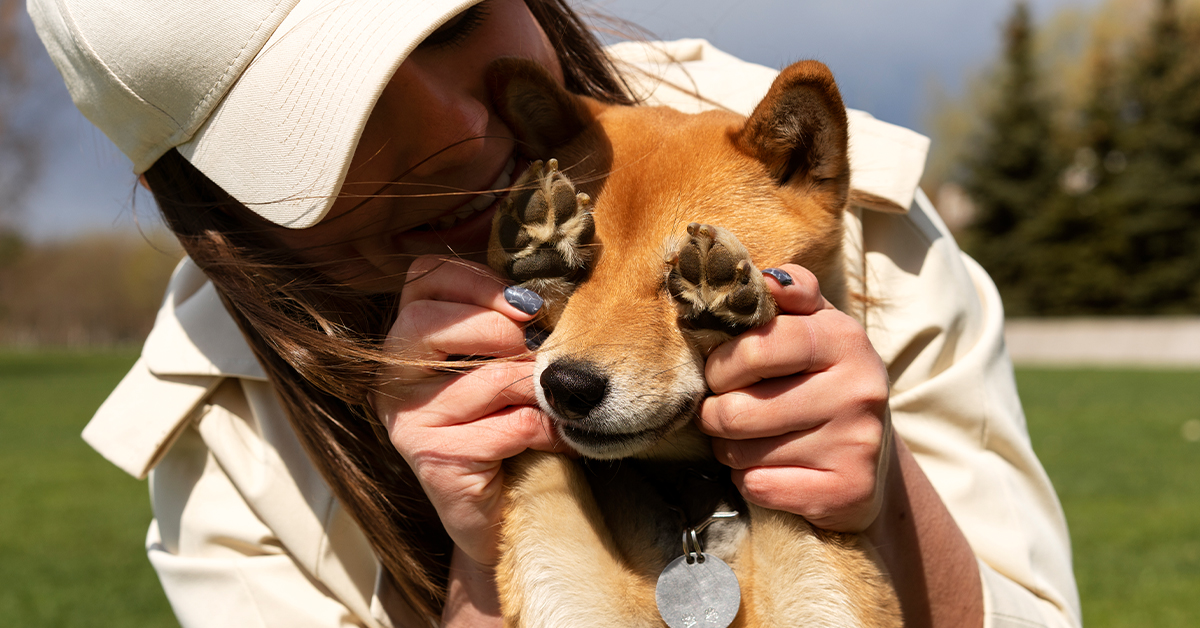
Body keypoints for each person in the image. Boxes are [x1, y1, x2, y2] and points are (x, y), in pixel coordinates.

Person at [30, 0, 1081, 626]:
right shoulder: (219, 437)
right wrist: (487, 567)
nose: (464, 124)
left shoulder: (819, 200)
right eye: (332, 128)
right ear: (207, 199)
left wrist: (884, 496)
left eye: (451, 22)